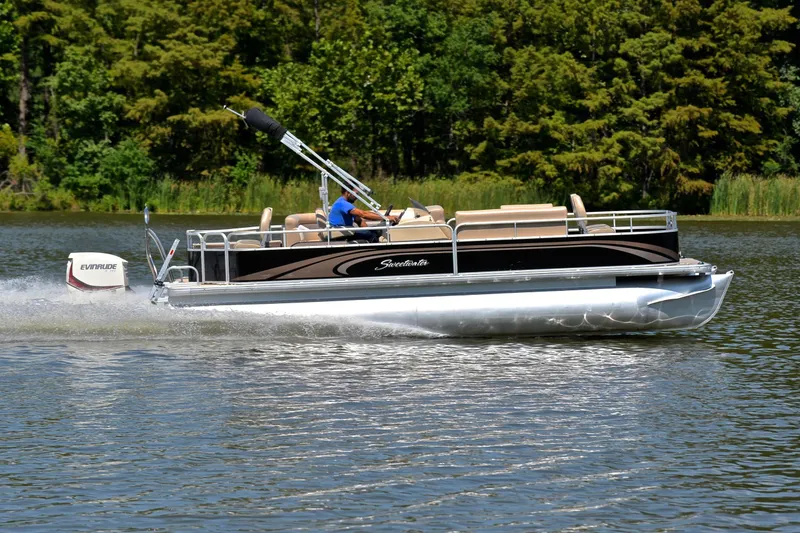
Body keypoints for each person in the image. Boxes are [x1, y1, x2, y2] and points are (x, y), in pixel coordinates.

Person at [328, 187, 398, 242]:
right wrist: (386, 218)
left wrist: (368, 230)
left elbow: (359, 221)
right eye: (356, 194)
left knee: (373, 231)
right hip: (342, 234)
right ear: (348, 193)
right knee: (372, 233)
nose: (357, 197)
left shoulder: (346, 205)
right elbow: (363, 214)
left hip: (346, 232)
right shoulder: (342, 203)